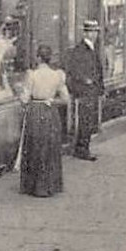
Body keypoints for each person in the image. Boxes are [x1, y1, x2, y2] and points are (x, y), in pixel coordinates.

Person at [19, 46, 69, 197]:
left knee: (34, 147)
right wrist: (51, 100)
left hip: (35, 111)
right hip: (50, 112)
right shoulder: (58, 75)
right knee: (50, 147)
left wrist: (19, 92)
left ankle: (33, 186)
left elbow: (25, 98)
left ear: (38, 58)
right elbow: (66, 99)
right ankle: (51, 185)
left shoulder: (31, 75)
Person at [63, 20, 105, 161]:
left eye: (95, 32)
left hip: (92, 90)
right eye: (91, 32)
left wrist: (100, 88)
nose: (94, 35)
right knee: (85, 120)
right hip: (85, 90)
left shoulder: (93, 48)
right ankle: (82, 148)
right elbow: (75, 70)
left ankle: (84, 147)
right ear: (85, 33)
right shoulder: (80, 50)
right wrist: (85, 79)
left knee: (88, 119)